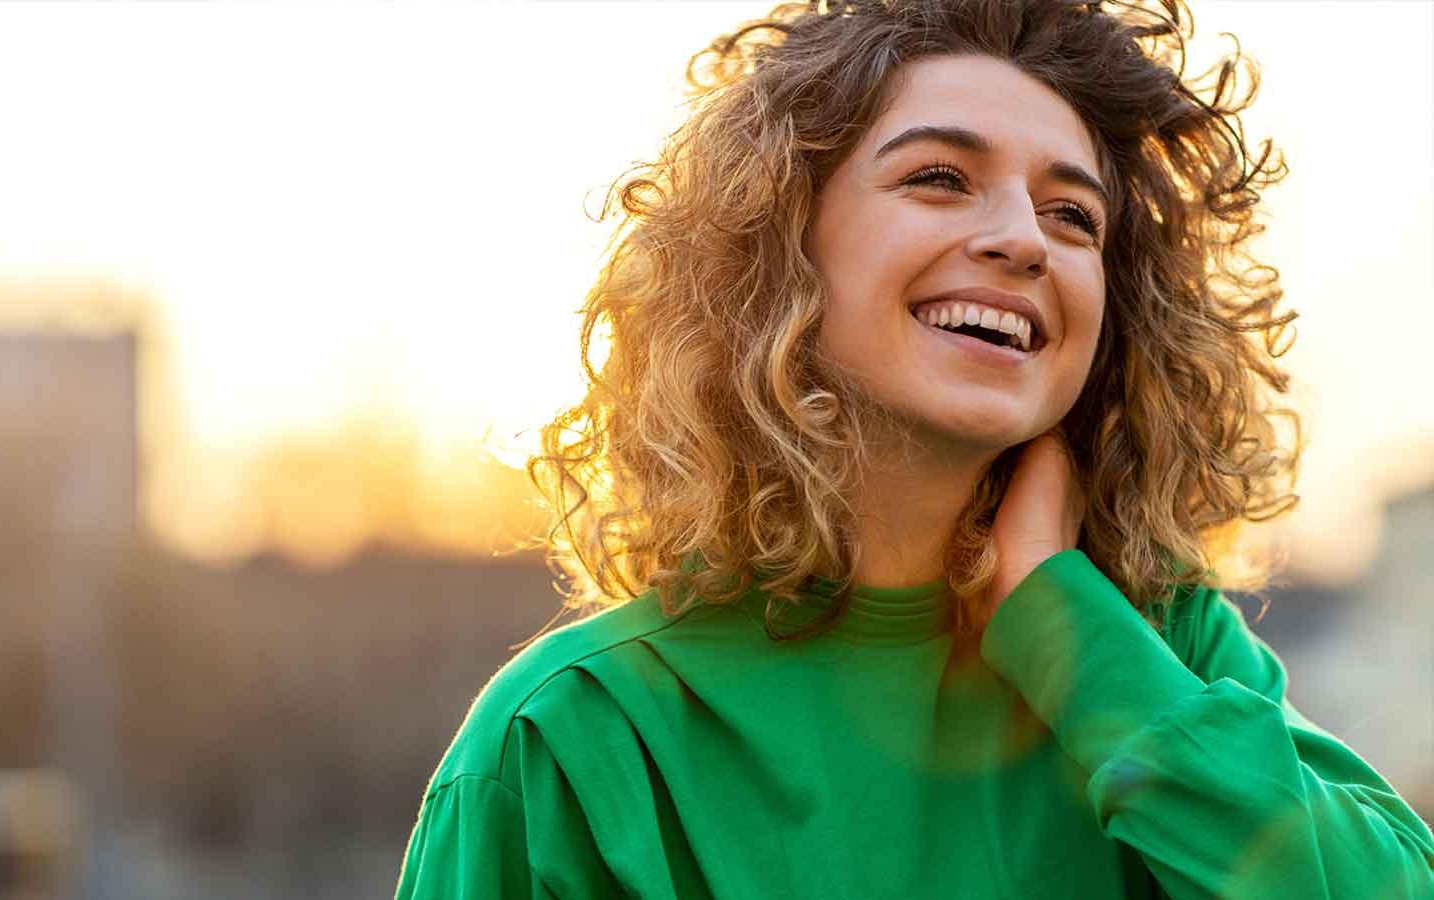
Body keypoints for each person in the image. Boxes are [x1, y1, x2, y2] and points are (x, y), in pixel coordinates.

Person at [395, 1, 1434, 897]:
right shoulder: (573, 739)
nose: (1024, 237)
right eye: (940, 177)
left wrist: (1065, 634)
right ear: (773, 246)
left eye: (1073, 214)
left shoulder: (1162, 652)